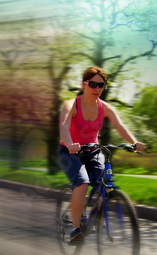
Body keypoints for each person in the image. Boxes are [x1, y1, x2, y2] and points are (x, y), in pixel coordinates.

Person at [58, 66, 146, 245]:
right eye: (93, 84)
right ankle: (75, 230)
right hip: (70, 152)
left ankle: (93, 218)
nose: (97, 88)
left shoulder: (104, 107)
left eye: (101, 85)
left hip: (92, 150)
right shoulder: (71, 105)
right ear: (84, 84)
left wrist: (134, 143)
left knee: (105, 186)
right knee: (82, 183)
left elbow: (120, 127)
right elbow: (64, 127)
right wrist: (70, 144)